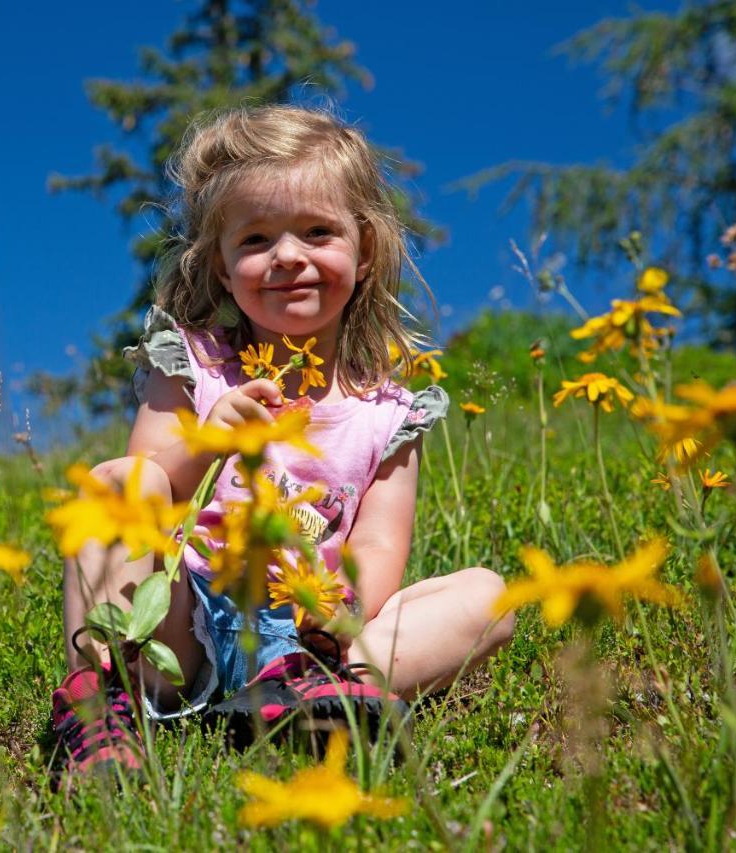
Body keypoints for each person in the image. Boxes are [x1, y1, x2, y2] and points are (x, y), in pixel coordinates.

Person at [50, 104, 515, 780]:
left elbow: (381, 543)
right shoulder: (195, 368)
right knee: (115, 481)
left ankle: (320, 693)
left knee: (489, 593)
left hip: (309, 637)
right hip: (184, 625)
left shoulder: (384, 413)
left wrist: (338, 612)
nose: (288, 256)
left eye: (318, 231)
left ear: (365, 251)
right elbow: (147, 486)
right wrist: (210, 441)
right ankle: (103, 702)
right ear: (223, 265)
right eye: (257, 239)